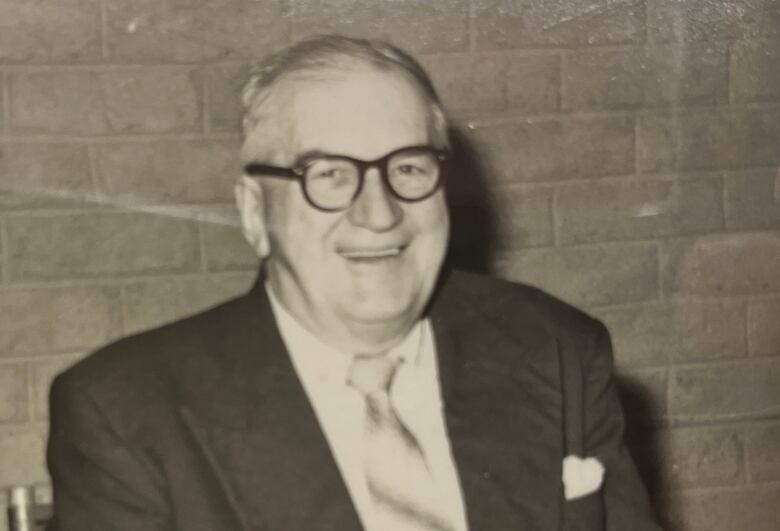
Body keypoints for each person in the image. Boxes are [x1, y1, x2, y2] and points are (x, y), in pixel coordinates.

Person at [46, 35, 662, 531]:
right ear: (256, 214)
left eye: (409, 168)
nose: (379, 213)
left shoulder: (555, 349)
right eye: (331, 175)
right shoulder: (126, 411)